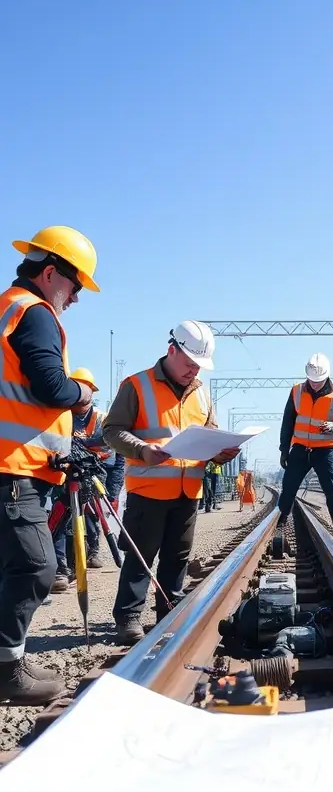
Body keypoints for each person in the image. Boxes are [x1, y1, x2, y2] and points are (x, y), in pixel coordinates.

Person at [0, 226, 100, 704]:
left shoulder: (7, 307)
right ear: (50, 272)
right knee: (38, 566)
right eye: (77, 285)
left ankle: (10, 657)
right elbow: (50, 389)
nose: (77, 297)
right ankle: (6, 670)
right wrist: (81, 392)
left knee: (14, 566)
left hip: (22, 463)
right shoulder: (35, 313)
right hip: (12, 468)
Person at [103, 321, 239, 645]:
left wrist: (222, 452)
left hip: (188, 490)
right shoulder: (136, 385)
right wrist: (141, 449)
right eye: (189, 363)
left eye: (199, 366)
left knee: (178, 556)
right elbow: (111, 431)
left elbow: (211, 436)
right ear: (171, 350)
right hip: (148, 489)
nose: (194, 371)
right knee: (141, 555)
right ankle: (128, 617)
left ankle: (169, 610)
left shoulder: (203, 393)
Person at [51, 367, 125, 590]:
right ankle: (61, 570)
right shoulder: (61, 416)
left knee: (91, 517)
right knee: (61, 522)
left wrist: (112, 492)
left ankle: (92, 549)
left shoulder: (103, 419)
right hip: (64, 475)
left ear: (91, 392)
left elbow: (117, 458)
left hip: (94, 473)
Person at [277, 353, 333, 535]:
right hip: (300, 448)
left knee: (331, 487)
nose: (314, 384)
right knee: (289, 485)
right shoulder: (296, 391)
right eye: (311, 380)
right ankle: (280, 520)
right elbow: (287, 422)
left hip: (326, 450)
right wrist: (284, 450)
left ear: (327, 376)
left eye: (318, 381)